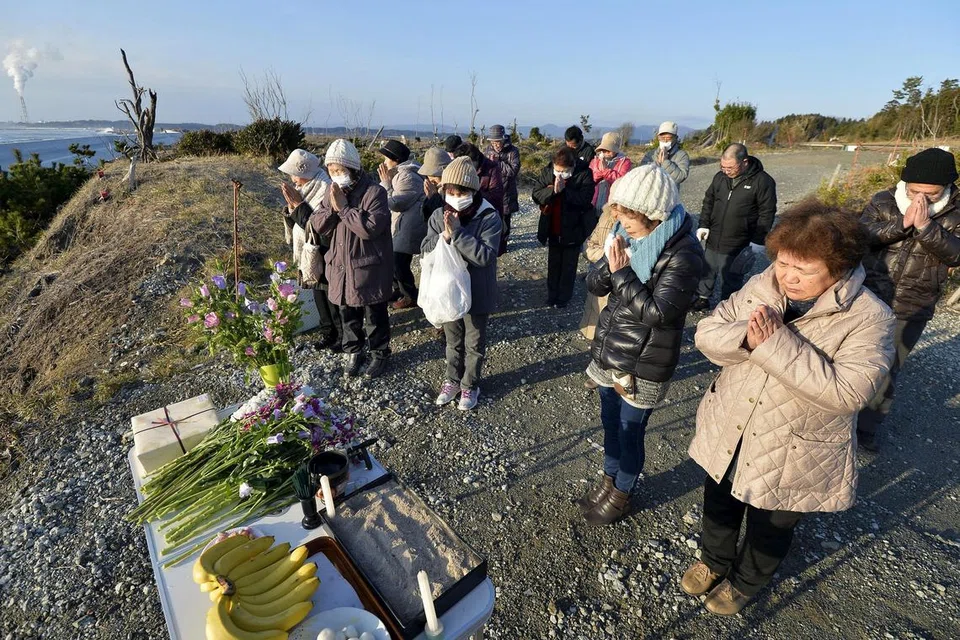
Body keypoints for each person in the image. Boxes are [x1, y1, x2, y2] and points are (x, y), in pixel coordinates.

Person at [683, 200, 896, 616]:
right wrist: (746, 336)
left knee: (771, 524)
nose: (789, 277)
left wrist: (773, 343)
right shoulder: (763, 284)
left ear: (838, 267)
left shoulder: (871, 316)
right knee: (719, 501)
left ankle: (745, 582)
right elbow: (708, 333)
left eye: (805, 270)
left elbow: (849, 393)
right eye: (783, 263)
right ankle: (713, 561)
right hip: (734, 423)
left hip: (796, 446)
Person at [578, 165, 704, 525]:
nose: (619, 220)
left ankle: (623, 493)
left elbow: (659, 313)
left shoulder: (684, 253)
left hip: (645, 361)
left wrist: (621, 273)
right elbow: (594, 286)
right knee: (609, 421)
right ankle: (608, 479)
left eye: (628, 215)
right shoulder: (625, 235)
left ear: (654, 216)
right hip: (611, 350)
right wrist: (611, 264)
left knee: (630, 431)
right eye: (617, 211)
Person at [857, 148, 960, 451]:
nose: (921, 199)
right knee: (845, 355)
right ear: (905, 184)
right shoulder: (883, 200)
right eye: (915, 191)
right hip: (867, 294)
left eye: (931, 194)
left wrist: (927, 228)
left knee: (888, 368)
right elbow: (862, 235)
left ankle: (866, 429)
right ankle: (835, 418)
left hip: (914, 304)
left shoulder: (956, 211)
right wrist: (902, 225)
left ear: (946, 188)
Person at [421, 157, 503, 411]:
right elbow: (424, 249)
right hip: (448, 290)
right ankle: (452, 380)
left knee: (474, 342)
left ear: (474, 191)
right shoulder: (438, 214)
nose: (456, 196)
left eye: (462, 192)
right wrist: (443, 238)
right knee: (452, 339)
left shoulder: (489, 216)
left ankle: (470, 384)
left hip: (478, 291)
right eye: (451, 191)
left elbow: (485, 256)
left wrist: (457, 234)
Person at [309, 139, 394, 379]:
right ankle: (354, 351)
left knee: (374, 313)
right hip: (340, 265)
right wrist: (335, 209)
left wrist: (345, 209)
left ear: (353, 169)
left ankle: (380, 353)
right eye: (332, 171)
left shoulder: (374, 192)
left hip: (368, 266)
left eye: (340, 171)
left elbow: (370, 228)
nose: (336, 176)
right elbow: (319, 224)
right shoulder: (331, 191)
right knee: (348, 313)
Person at [692, 143, 777, 311]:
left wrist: (759, 240)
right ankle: (702, 298)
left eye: (730, 167)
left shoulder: (763, 181)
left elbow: (767, 212)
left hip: (740, 240)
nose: (725, 170)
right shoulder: (719, 177)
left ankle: (727, 307)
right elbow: (708, 201)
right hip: (714, 236)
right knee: (707, 269)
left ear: (744, 162)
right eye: (722, 166)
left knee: (732, 276)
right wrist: (704, 225)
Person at [277, 149, 341, 351]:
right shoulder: (305, 189)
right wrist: (291, 209)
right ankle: (327, 331)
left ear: (304, 172)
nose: (292, 179)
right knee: (316, 292)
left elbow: (319, 224)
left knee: (330, 293)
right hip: (309, 249)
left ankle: (341, 334)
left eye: (294, 174)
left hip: (325, 247)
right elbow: (299, 218)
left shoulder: (325, 188)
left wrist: (298, 206)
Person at [531, 146, 596, 308]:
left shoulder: (584, 174)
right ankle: (552, 295)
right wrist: (553, 190)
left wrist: (564, 190)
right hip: (552, 226)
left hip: (573, 228)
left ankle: (563, 298)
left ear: (572, 166)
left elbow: (585, 199)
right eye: (557, 171)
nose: (560, 174)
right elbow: (536, 194)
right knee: (553, 264)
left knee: (568, 266)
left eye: (564, 171)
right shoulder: (547, 172)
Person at [377, 140, 426, 311]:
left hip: (408, 227)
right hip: (401, 225)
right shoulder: (399, 174)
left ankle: (409, 295)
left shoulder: (408, 176)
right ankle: (398, 290)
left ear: (395, 159)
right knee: (392, 261)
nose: (383, 163)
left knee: (399, 263)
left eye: (386, 159)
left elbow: (396, 203)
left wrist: (385, 185)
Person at [485, 124, 521, 255]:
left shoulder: (513, 151)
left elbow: (513, 170)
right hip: (492, 191)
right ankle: (493, 244)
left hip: (507, 192)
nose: (496, 145)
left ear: (504, 139)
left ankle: (503, 246)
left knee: (505, 221)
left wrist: (497, 163)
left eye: (498, 141)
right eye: (494, 142)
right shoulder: (488, 150)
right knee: (492, 219)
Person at [454, 142, 504, 215]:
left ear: (476, 159)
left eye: (468, 164)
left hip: (487, 215)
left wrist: (471, 193)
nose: (464, 168)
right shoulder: (458, 168)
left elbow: (496, 197)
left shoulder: (492, 169)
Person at [589, 132, 632, 210]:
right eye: (604, 149)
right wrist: (600, 172)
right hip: (593, 203)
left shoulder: (625, 162)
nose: (606, 151)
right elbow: (590, 179)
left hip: (613, 205)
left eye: (609, 149)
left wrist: (606, 171)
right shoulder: (595, 161)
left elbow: (620, 182)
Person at [641, 121, 690, 186]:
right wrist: (657, 163)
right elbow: (642, 173)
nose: (665, 141)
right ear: (658, 137)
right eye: (662, 138)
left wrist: (665, 162)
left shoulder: (682, 155)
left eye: (669, 138)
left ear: (675, 138)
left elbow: (681, 177)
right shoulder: (650, 154)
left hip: (670, 193)